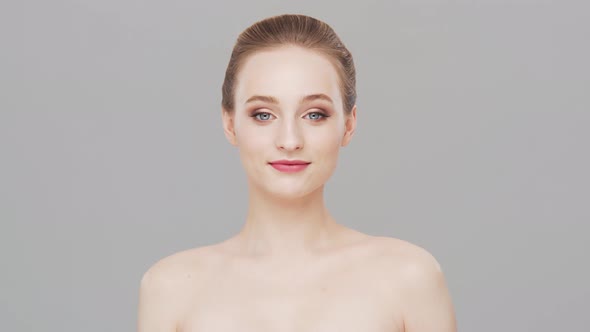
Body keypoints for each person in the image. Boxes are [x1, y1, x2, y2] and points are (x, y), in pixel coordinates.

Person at [137, 14, 457, 332]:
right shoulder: (170, 289)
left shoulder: (410, 279)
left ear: (349, 124)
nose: (289, 141)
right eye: (263, 115)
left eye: (314, 115)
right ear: (229, 123)